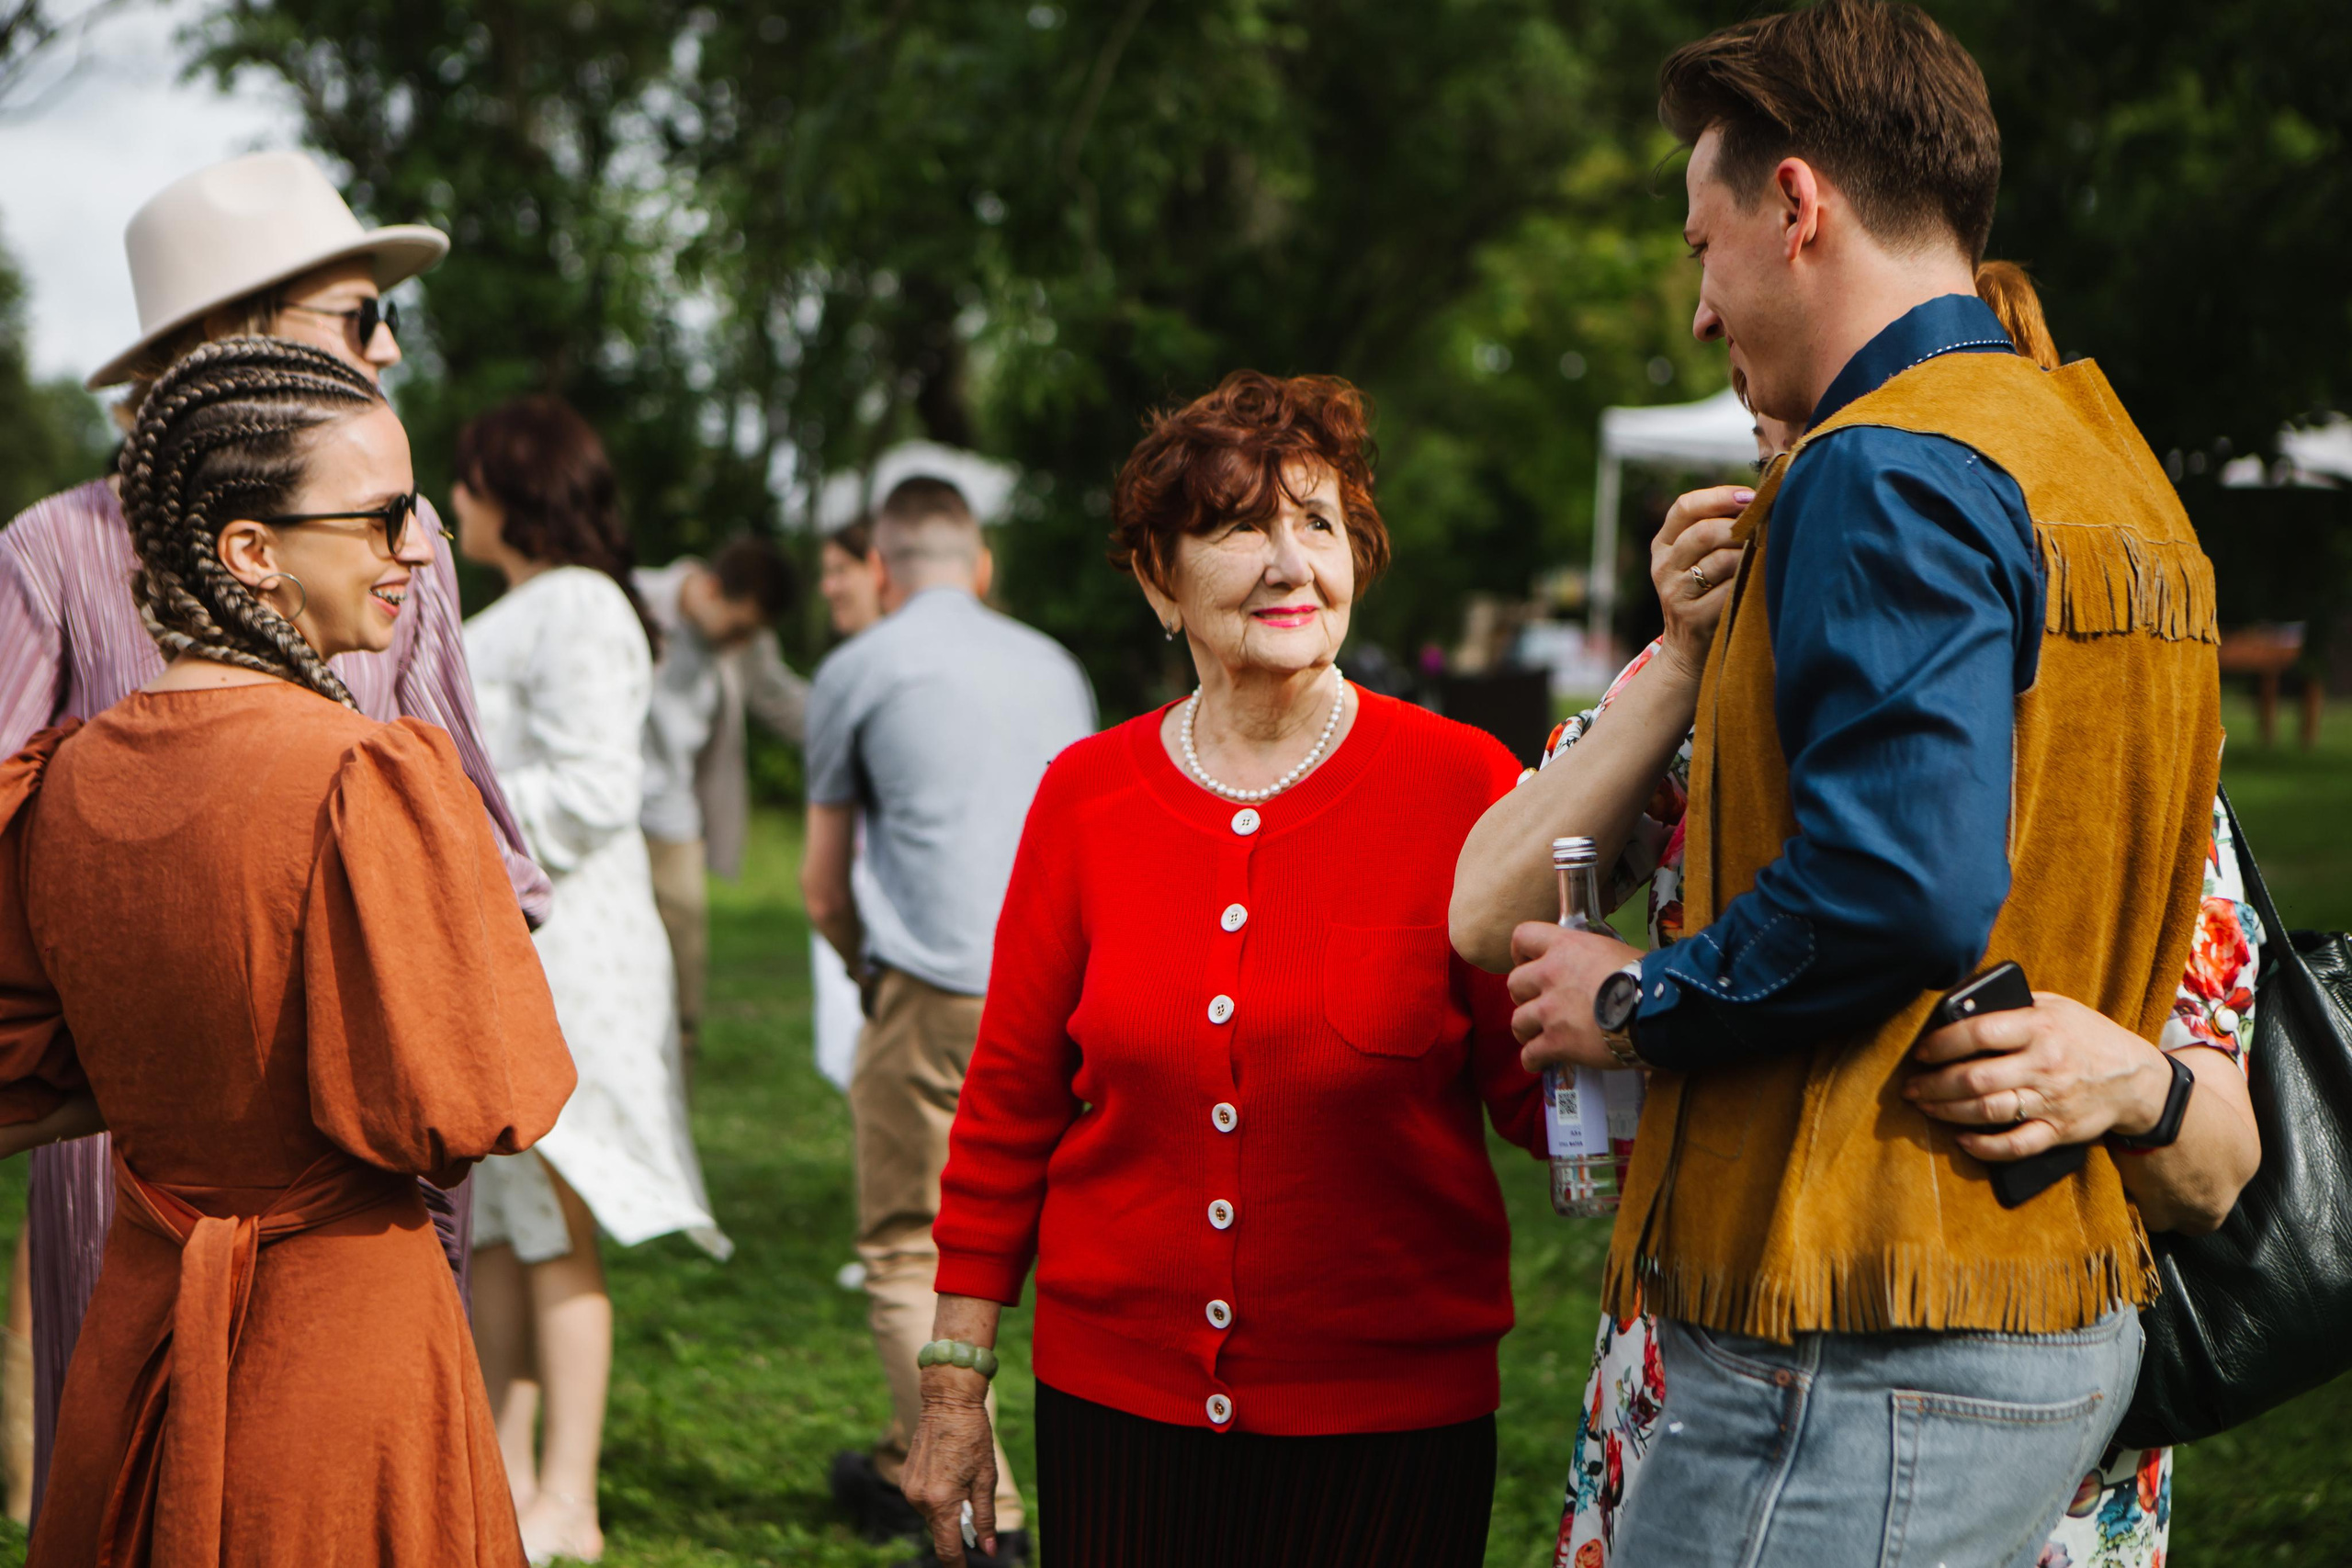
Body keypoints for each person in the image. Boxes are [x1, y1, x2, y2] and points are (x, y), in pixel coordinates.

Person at [1496, 4, 2227, 1561]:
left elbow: (1903, 881)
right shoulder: (2108, 462)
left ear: (1796, 203)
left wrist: (1642, 998)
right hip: (2049, 1305)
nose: (1701, 311)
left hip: (1862, 1322)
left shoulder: (1875, 461)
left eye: (1704, 244)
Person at [898, 371, 1546, 1568]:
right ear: (1159, 576)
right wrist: (954, 1380)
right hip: (1119, 1408)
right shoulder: (1086, 796)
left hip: (1390, 1422)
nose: (1292, 561)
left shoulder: (1466, 784)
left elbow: (1546, 1092)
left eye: (1320, 520)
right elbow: (1007, 1101)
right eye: (1241, 525)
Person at [0, 148, 549, 1518]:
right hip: (223, 1195)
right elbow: (483, 1087)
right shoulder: (53, 551)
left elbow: (475, 817)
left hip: (237, 1157)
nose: (390, 342)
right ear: (224, 335)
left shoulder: (388, 540)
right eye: (356, 315)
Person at [456, 395, 730, 1564]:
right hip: (516, 954)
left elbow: (590, 790)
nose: (453, 503)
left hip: (571, 959)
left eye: (467, 480)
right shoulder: (533, 605)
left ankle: (569, 1496)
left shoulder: (573, 606)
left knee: (558, 1221)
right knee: (507, 1225)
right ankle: (507, 1483)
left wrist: (446, 826)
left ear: (510, 490)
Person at [800, 476, 1093, 1562]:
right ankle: (899, 1455)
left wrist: (868, 979)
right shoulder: (1053, 662)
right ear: (980, 568)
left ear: (879, 570)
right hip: (1071, 984)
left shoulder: (857, 665)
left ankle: (991, 1518)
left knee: (902, 1245)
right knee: (1050, 1237)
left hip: (933, 985)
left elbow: (825, 887)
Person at [638, 536, 808, 1080]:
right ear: (711, 589)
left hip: (675, 821)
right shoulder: (634, 597)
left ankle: (676, 1066)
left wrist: (861, 718)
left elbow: (786, 703)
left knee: (682, 953)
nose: (742, 643)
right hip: (607, 814)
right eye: (738, 628)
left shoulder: (746, 645)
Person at [809, 517, 886, 1095]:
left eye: (841, 570)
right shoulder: (844, 670)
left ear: (879, 569)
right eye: (825, 572)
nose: (829, 587)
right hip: (848, 891)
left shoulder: (883, 672)